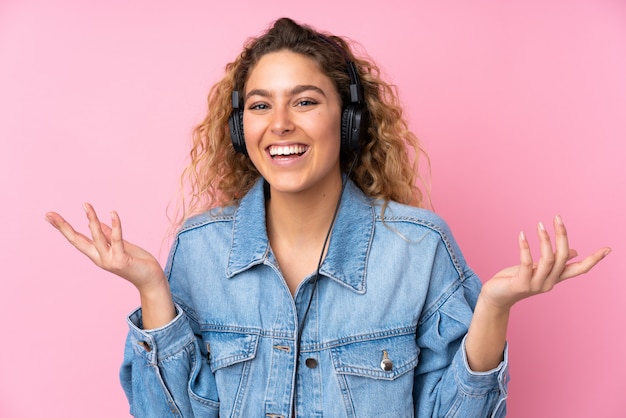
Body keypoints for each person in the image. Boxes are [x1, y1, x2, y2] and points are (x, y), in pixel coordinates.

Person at [45, 17, 610, 417]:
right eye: (261, 105)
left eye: (306, 101)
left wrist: (492, 309)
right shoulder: (198, 248)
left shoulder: (420, 249)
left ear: (349, 122)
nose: (280, 123)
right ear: (243, 129)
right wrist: (152, 291)